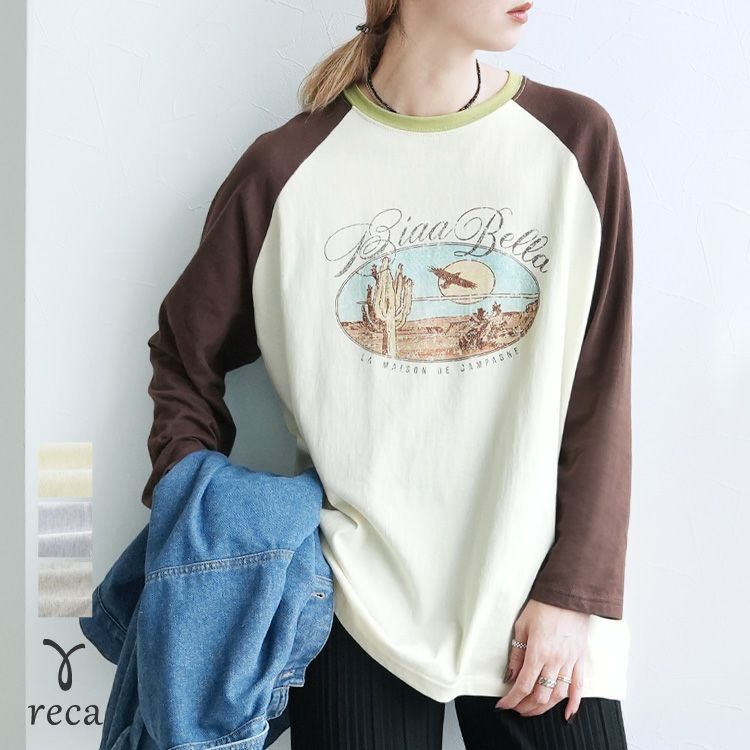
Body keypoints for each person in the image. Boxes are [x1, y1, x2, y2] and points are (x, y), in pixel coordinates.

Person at [141, 1, 634, 748]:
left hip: (538, 612)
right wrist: (199, 513)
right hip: (351, 608)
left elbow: (601, 388)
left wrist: (573, 594)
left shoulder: (575, 142)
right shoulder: (285, 171)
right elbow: (184, 356)